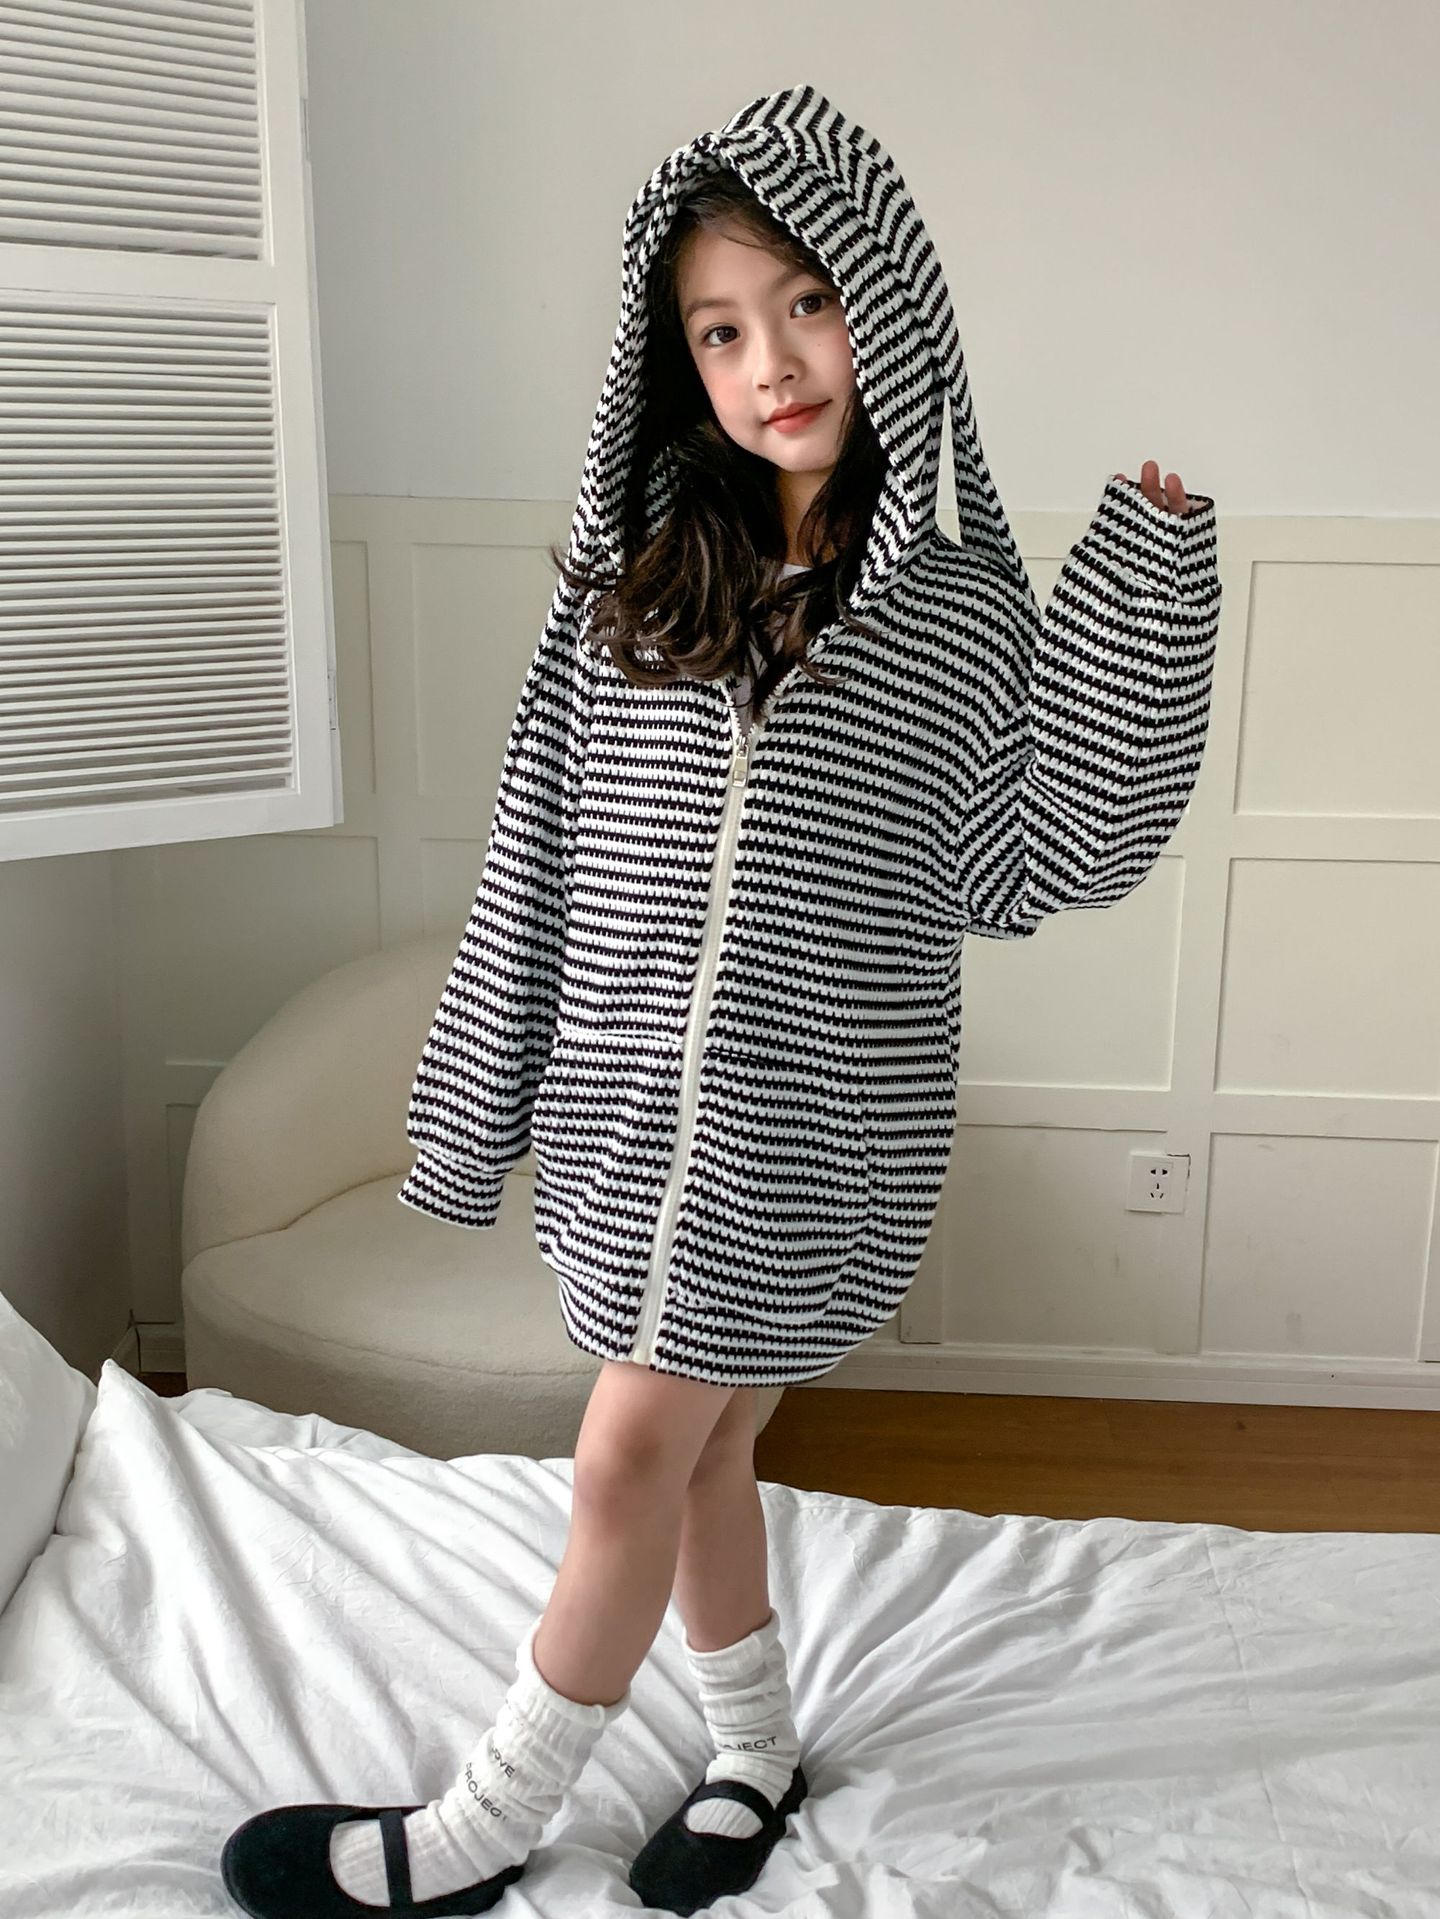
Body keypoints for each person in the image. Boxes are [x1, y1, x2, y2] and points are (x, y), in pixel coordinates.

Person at [220, 83, 1219, 1919]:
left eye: (808, 303)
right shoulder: (630, 586)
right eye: (722, 330)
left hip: (801, 1142)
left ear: (886, 304)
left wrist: (1143, 598)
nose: (775, 362)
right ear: (676, 362)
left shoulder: (958, 614)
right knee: (709, 1451)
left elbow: (1042, 855)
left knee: (623, 1456)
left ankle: (478, 1828)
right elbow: (535, 848)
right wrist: (474, 1111)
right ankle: (756, 1750)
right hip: (626, 1133)